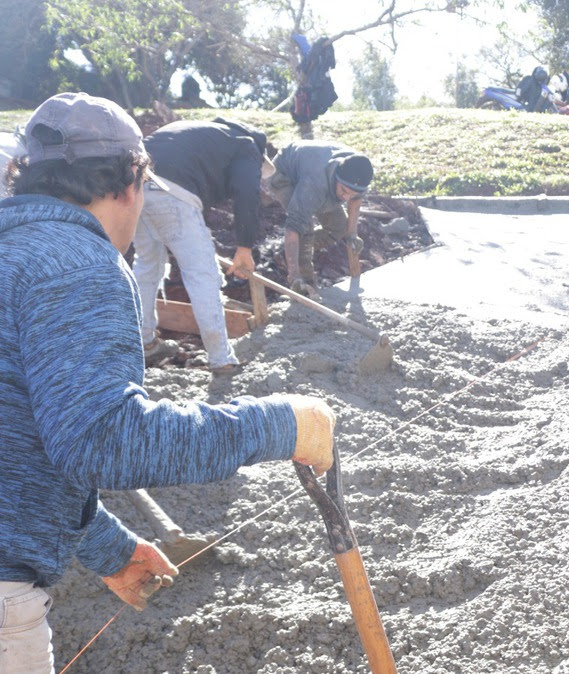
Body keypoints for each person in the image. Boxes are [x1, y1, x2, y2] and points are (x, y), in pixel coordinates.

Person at [0, 93, 335, 672]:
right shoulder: (77, 260)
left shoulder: (15, 250)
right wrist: (280, 424)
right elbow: (102, 439)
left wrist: (106, 546)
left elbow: (23, 435)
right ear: (133, 182)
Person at [132, 118, 274, 373]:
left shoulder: (199, 133)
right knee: (202, 274)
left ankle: (143, 342)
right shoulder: (246, 145)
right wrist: (244, 248)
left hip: (134, 189)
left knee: (147, 265)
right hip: (172, 192)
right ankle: (222, 359)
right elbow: (246, 192)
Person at [267, 140, 373, 298]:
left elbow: (355, 201)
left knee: (339, 227)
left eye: (351, 193)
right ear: (336, 177)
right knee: (304, 231)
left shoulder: (360, 172)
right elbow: (294, 227)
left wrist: (352, 234)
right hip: (284, 173)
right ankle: (305, 284)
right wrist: (294, 276)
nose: (345, 197)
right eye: (344, 190)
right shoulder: (315, 183)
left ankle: (294, 252)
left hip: (313, 171)